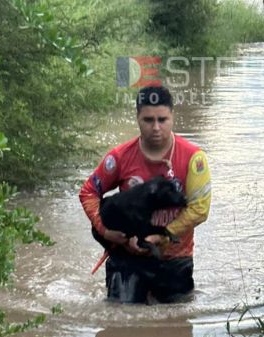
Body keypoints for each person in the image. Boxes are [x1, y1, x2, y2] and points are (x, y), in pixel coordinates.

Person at [79, 85, 211, 304]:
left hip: (174, 257)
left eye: (163, 119)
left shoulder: (194, 158)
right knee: (119, 327)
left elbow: (200, 209)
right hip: (126, 256)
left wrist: (164, 234)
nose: (156, 127)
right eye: (148, 120)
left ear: (172, 117)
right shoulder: (120, 157)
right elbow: (89, 192)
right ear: (137, 118)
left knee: (175, 329)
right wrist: (105, 230)